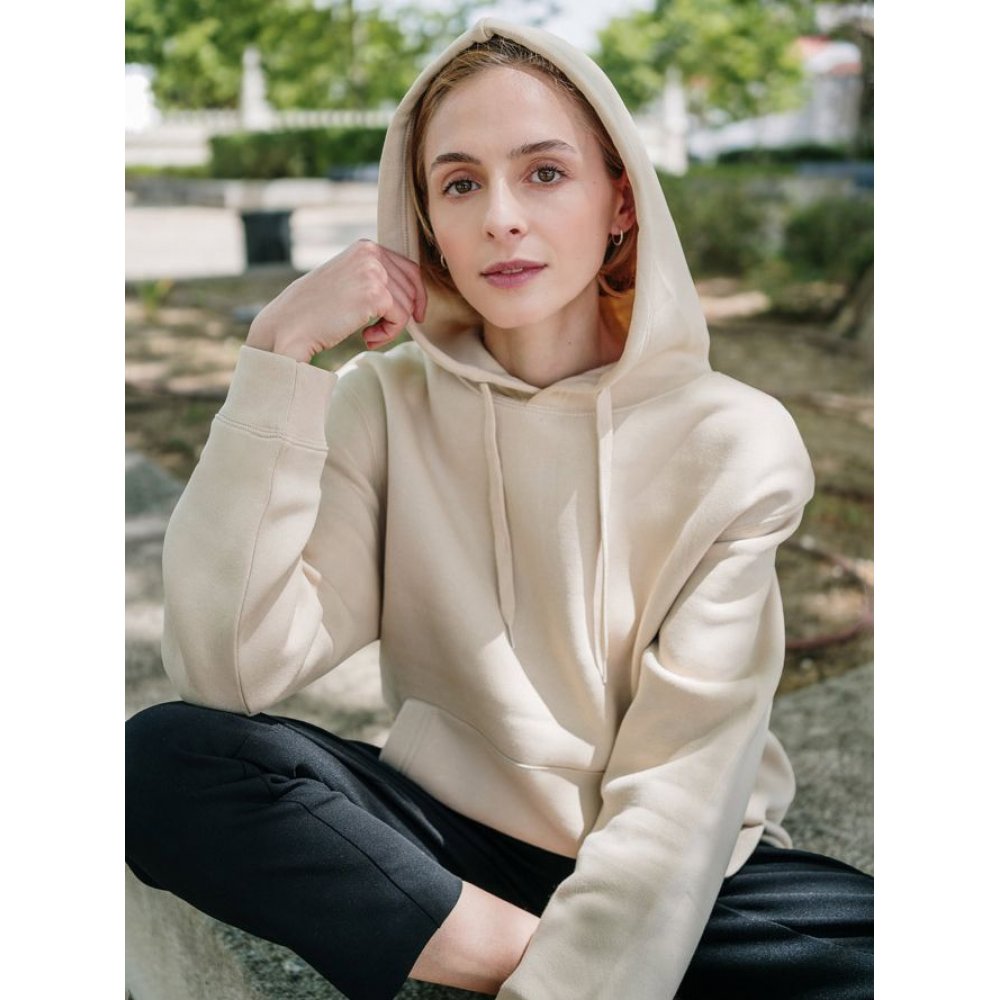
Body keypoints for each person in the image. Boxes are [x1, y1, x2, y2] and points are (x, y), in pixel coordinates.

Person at [125, 18, 874, 1000]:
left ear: (620, 199)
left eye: (545, 173)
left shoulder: (735, 440)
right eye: (460, 184)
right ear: (425, 218)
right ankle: (546, 956)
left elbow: (680, 791)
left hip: (680, 866)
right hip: (446, 845)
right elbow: (227, 666)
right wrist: (277, 356)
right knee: (162, 762)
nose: (501, 219)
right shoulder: (381, 404)